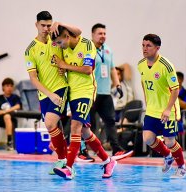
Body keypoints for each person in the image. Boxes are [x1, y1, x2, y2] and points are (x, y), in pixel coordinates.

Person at [51, 25, 117, 180]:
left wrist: (64, 65)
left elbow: (87, 69)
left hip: (86, 91)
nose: (60, 47)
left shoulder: (86, 44)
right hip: (72, 92)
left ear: (67, 36)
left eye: (61, 43)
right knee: (85, 132)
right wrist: (63, 70)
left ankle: (69, 167)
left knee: (75, 127)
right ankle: (108, 161)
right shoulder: (65, 48)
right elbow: (67, 67)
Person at [24, 11, 82, 175]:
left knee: (50, 123)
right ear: (36, 25)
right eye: (43, 25)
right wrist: (49, 94)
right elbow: (33, 79)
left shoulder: (57, 37)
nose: (46, 28)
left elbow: (77, 33)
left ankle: (66, 161)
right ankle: (64, 161)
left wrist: (61, 24)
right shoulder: (30, 50)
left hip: (61, 87)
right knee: (55, 127)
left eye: (49, 25)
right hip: (45, 93)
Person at [138, 34, 186, 178]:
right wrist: (148, 100)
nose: (144, 49)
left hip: (168, 109)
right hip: (152, 109)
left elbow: (175, 89)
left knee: (169, 140)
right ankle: (167, 156)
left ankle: (182, 167)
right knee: (147, 138)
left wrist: (167, 109)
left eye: (148, 46)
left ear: (157, 48)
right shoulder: (141, 64)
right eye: (143, 45)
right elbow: (143, 82)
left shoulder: (166, 66)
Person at [88, 23, 133, 160]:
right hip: (90, 92)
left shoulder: (108, 50)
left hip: (105, 92)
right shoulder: (87, 49)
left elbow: (113, 69)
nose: (103, 36)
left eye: (104, 33)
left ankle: (116, 149)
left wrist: (118, 85)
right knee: (89, 124)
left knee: (110, 121)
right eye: (100, 33)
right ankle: (82, 151)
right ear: (93, 35)